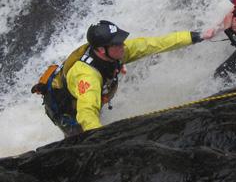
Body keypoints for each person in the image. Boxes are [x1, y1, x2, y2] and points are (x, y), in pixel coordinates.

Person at [31, 21, 215, 137]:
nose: (123, 46)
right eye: (117, 43)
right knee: (79, 137)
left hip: (84, 96)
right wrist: (105, 141)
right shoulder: (88, 76)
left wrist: (197, 36)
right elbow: (86, 113)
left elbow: (154, 44)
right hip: (65, 111)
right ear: (102, 50)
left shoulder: (115, 52)